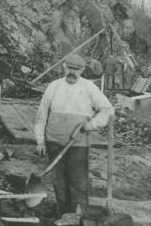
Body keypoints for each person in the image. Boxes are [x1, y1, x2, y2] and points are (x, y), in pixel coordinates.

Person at [34, 54, 114, 217]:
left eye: (76, 70)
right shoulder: (53, 87)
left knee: (78, 181)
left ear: (83, 70)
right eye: (70, 68)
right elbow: (41, 116)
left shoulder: (89, 88)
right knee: (59, 181)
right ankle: (62, 215)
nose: (72, 73)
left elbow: (108, 110)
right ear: (64, 67)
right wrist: (40, 141)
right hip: (54, 141)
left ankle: (78, 216)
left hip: (78, 143)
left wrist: (92, 124)